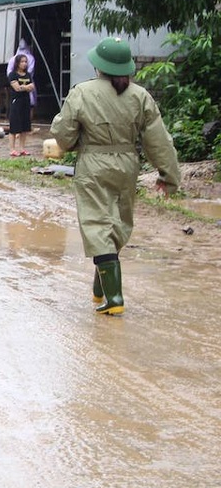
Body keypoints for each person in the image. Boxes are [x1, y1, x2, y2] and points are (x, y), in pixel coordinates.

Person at [49, 36, 180, 315]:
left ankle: (115, 299)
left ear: (99, 66)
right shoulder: (140, 96)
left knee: (97, 224)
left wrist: (74, 143)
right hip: (128, 165)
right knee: (117, 225)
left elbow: (63, 135)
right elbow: (159, 141)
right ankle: (100, 289)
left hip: (94, 165)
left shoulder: (82, 92)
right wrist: (168, 176)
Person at [7, 53, 35, 156]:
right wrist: (26, 87)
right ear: (17, 63)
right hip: (16, 102)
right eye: (22, 62)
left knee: (25, 127)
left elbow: (32, 87)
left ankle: (22, 148)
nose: (24, 64)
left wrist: (24, 87)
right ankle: (12, 149)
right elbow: (17, 88)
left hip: (26, 102)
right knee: (14, 127)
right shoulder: (12, 74)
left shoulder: (28, 75)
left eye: (26, 62)